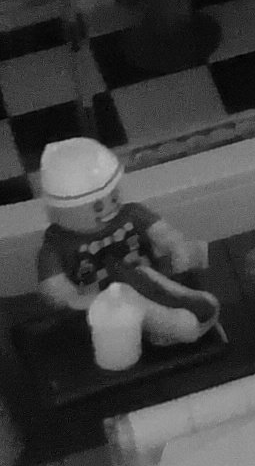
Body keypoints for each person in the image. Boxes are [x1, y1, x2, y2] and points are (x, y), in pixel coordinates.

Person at [30, 136, 224, 377]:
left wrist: (178, 247)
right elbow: (56, 291)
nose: (111, 208)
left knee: (189, 297)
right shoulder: (57, 246)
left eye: (114, 197)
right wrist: (80, 300)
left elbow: (164, 234)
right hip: (103, 310)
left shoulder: (132, 214)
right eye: (98, 206)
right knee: (170, 319)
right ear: (60, 212)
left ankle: (184, 314)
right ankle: (172, 326)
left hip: (147, 279)